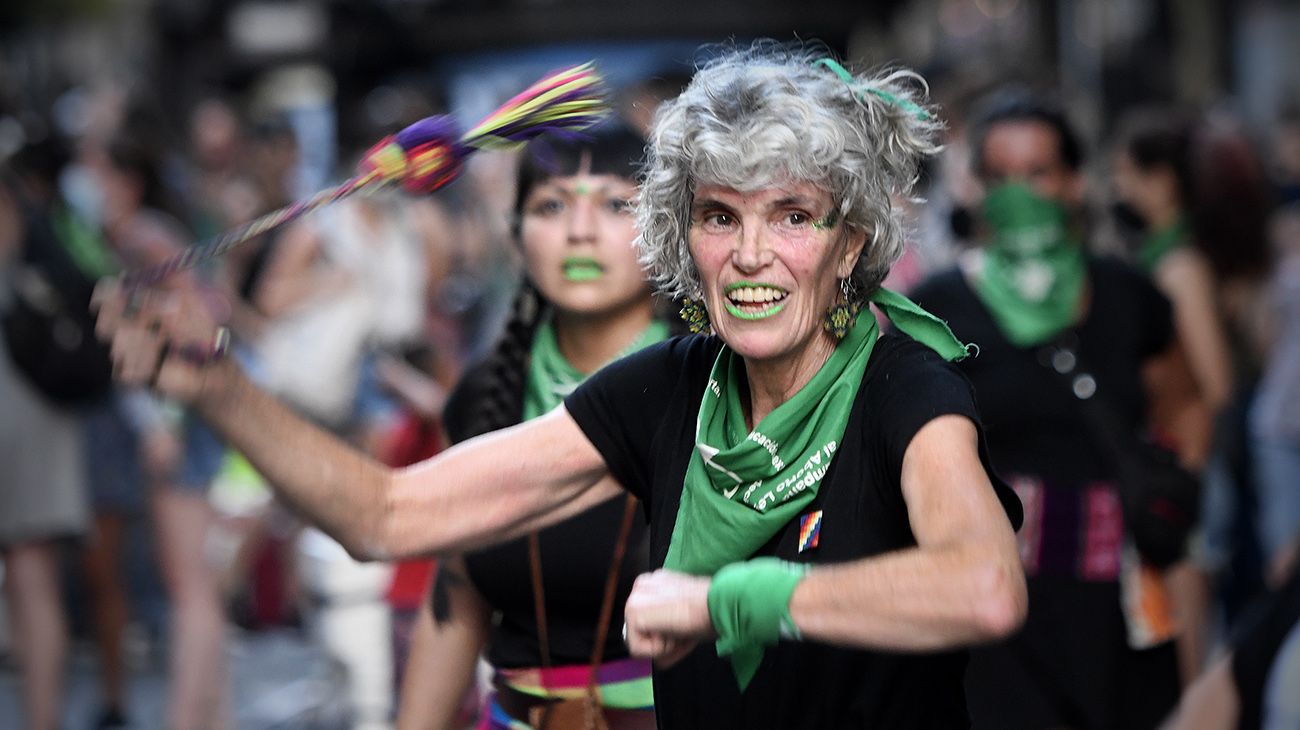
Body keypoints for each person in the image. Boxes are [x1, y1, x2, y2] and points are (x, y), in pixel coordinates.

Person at [94, 44, 1026, 728]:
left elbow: (984, 586)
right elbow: (387, 515)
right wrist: (213, 382)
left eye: (792, 217)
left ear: (850, 244)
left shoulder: (905, 386)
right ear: (681, 239)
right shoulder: (668, 388)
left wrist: (729, 601)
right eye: (717, 215)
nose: (750, 255)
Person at [910, 91, 1205, 728]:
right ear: (976, 189)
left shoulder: (1129, 296)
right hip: (997, 605)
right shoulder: (935, 308)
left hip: (1121, 598)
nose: (1020, 195)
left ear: (1074, 182)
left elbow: (1186, 405)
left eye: (1039, 173)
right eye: (1000, 177)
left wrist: (1164, 488)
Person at [395, 124, 667, 730]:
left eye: (617, 204)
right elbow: (458, 598)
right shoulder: (485, 392)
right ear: (516, 234)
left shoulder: (716, 385)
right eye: (551, 205)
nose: (580, 231)